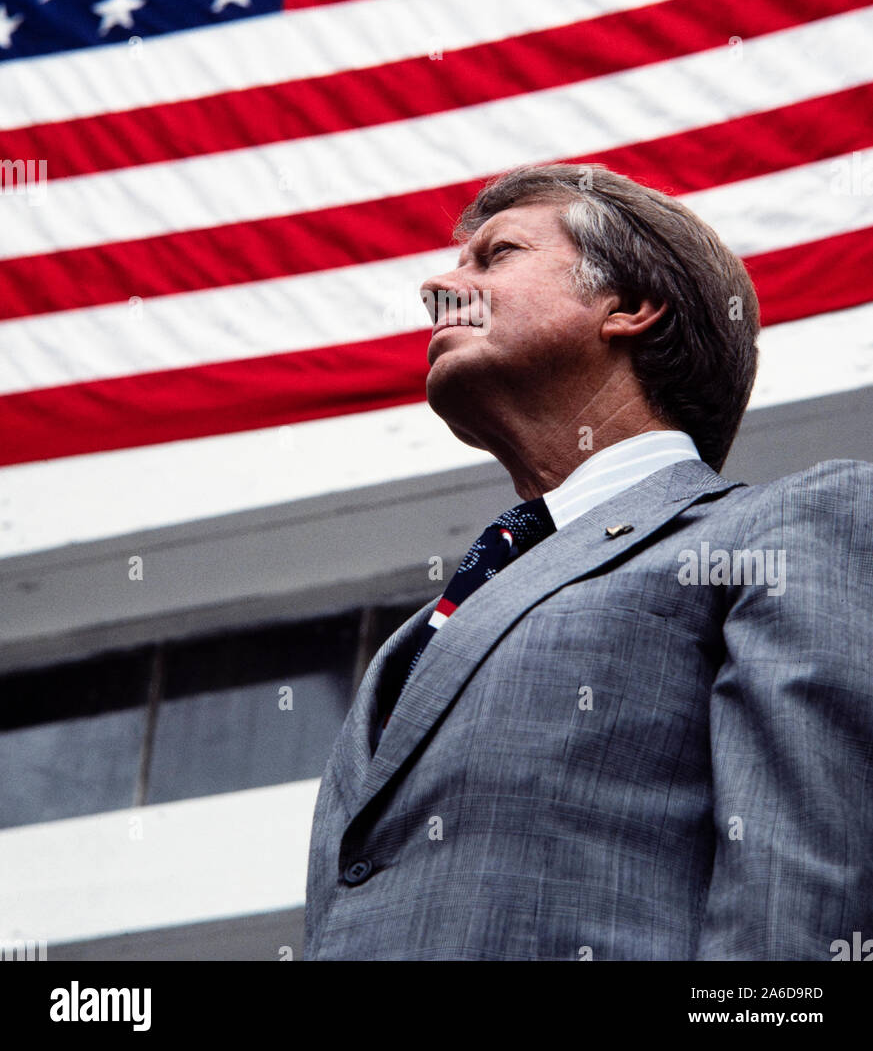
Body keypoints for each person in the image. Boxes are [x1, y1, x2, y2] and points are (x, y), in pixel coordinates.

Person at [303, 162, 873, 961]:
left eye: (494, 255)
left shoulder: (782, 528)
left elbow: (807, 895)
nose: (437, 285)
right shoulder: (415, 643)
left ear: (630, 307)